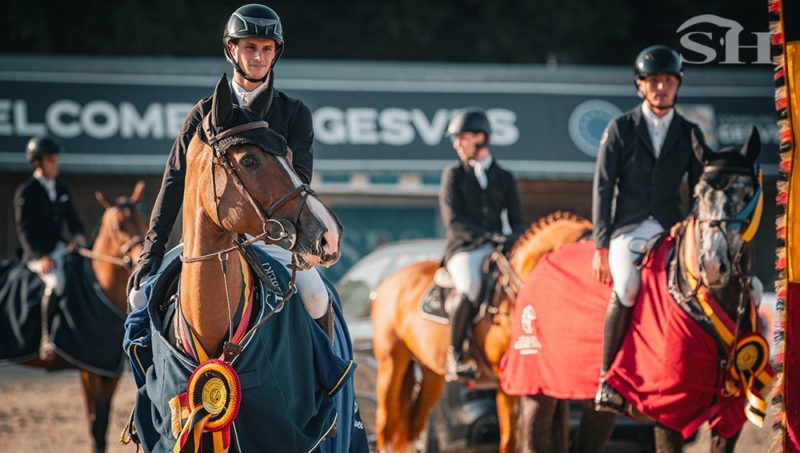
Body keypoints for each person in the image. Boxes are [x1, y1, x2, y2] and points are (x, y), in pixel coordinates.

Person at [128, 4, 331, 320]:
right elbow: (174, 180)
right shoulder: (203, 114)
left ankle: (330, 355)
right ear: (232, 49)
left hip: (270, 240)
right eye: (250, 47)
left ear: (275, 53)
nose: (259, 57)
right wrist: (152, 251)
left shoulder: (294, 113)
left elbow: (300, 180)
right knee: (141, 298)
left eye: (267, 49)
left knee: (316, 299)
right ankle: (145, 355)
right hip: (208, 241)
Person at [592, 45, 705, 413]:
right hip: (628, 226)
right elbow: (603, 187)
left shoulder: (690, 132)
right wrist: (601, 246)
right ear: (640, 85)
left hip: (672, 228)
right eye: (654, 81)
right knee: (627, 286)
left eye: (668, 81)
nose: (661, 88)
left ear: (677, 85)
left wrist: (692, 223)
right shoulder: (620, 128)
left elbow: (700, 188)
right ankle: (607, 378)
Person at [440, 108, 526, 380]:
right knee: (470, 287)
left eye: (461, 138)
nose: (457, 144)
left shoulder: (504, 177)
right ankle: (455, 354)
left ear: (480, 138)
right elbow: (453, 220)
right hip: (464, 249)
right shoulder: (453, 174)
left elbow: (518, 220)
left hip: (496, 249)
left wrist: (514, 239)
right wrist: (489, 237)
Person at [14, 136, 87, 360]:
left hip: (58, 247)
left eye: (56, 159)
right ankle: (46, 339)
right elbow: (24, 231)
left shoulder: (61, 188)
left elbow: (73, 220)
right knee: (56, 282)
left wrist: (78, 236)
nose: (56, 163)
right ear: (37, 162)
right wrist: (41, 256)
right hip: (36, 254)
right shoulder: (26, 192)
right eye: (51, 160)